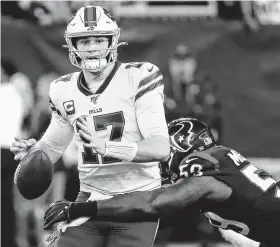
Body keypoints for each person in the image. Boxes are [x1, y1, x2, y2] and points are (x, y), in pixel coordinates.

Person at [10, 5, 170, 247]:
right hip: (89, 199)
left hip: (137, 200)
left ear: (112, 42)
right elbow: (53, 145)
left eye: (98, 39)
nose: (92, 47)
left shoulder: (139, 77)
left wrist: (108, 147)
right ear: (73, 46)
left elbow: (160, 148)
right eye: (84, 41)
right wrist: (34, 153)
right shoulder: (63, 89)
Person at [44, 118, 280, 247]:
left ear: (183, 146)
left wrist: (84, 208)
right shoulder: (220, 160)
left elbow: (152, 203)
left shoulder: (203, 165)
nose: (163, 163)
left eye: (167, 154)